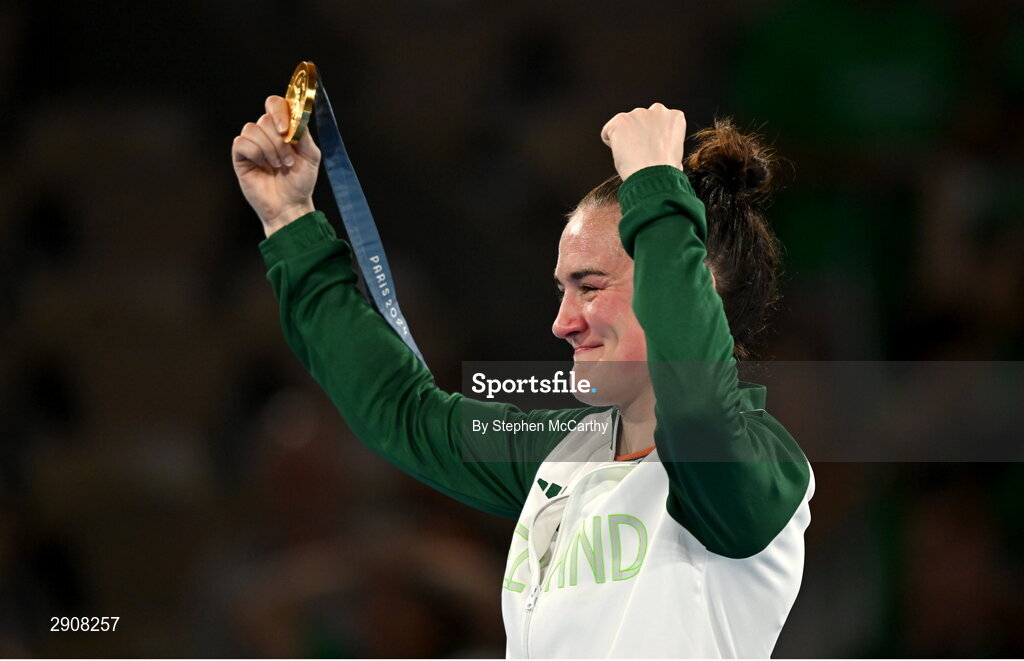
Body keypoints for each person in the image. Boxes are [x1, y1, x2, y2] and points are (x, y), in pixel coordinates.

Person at [232, 97, 813, 658]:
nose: (562, 322)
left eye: (589, 286)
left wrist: (656, 184)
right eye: (562, 290)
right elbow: (404, 412)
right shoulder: (562, 456)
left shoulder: (763, 468)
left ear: (691, 285)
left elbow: (696, 415)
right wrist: (289, 221)